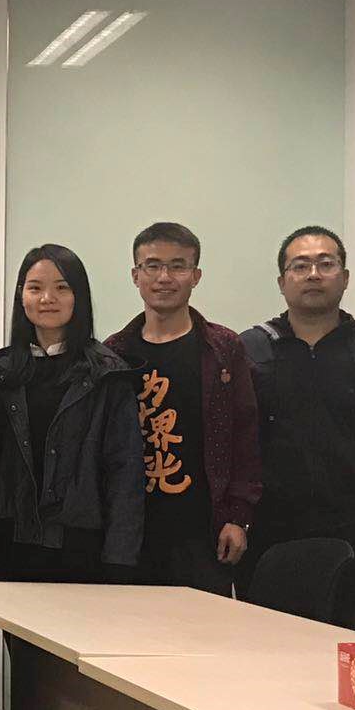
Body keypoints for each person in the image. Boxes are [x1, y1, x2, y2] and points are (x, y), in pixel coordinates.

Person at [238, 226, 355, 605]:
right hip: (264, 529)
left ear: (344, 277)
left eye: (325, 264)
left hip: (350, 528)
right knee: (261, 633)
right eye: (300, 266)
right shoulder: (249, 348)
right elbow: (232, 441)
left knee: (340, 632)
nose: (313, 274)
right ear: (282, 282)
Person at [103, 222, 261, 597]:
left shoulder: (223, 348)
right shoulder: (113, 353)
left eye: (178, 266)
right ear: (135, 275)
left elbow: (246, 436)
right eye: (152, 265)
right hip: (132, 532)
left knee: (205, 630)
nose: (164, 277)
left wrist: (238, 516)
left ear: (196, 275)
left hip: (204, 531)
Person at [0, 245, 142, 583]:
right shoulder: (3, 372)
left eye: (61, 287)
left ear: (78, 297)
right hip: (12, 541)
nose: (47, 298)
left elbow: (124, 472)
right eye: (35, 287)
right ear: (21, 296)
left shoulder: (108, 374)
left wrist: (120, 559)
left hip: (82, 546)